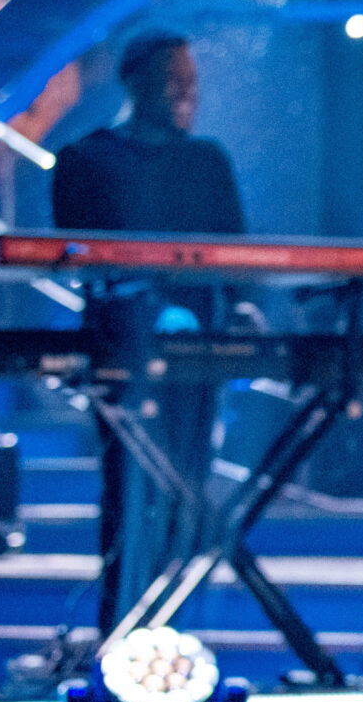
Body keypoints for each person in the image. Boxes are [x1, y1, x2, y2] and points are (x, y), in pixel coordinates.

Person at [50, 31, 246, 635]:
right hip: (121, 347)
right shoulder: (84, 160)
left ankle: (175, 638)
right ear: (134, 82)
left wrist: (237, 314)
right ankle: (121, 634)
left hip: (198, 351)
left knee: (188, 486)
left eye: (192, 78)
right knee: (127, 489)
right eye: (173, 76)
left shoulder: (207, 159)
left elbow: (239, 256)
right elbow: (78, 258)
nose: (188, 89)